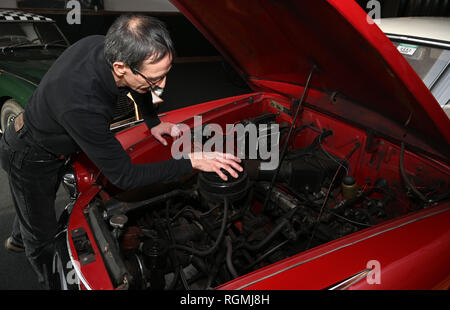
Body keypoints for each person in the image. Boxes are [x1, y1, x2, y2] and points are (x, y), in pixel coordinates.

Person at [0, 14, 242, 288]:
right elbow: (125, 177)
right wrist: (192, 162)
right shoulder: (82, 105)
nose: (160, 87)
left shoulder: (103, 45)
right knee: (42, 238)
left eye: (164, 75)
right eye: (154, 80)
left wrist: (153, 123)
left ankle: (21, 233)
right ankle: (44, 271)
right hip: (31, 156)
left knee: (33, 206)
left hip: (49, 141)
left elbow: (135, 86)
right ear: (120, 66)